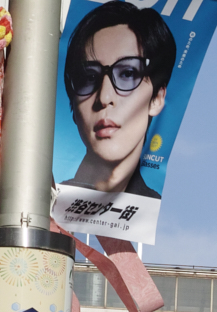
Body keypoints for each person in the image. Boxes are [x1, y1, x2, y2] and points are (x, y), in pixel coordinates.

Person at [63, 2, 177, 201]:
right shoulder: (41, 207)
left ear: (157, 98)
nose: (104, 98)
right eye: (89, 77)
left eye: (127, 73)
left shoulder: (149, 214)